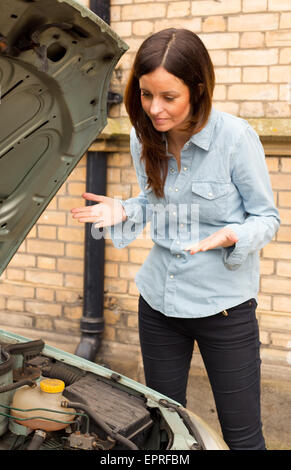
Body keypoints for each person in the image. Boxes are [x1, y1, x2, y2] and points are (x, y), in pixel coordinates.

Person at [71, 28, 280, 450]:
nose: (155, 109)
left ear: (198, 90)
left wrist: (231, 235)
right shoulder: (142, 136)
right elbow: (154, 202)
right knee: (166, 426)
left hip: (225, 309)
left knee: (243, 438)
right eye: (147, 95)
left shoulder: (236, 139)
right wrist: (125, 208)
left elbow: (267, 218)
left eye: (169, 97)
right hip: (159, 304)